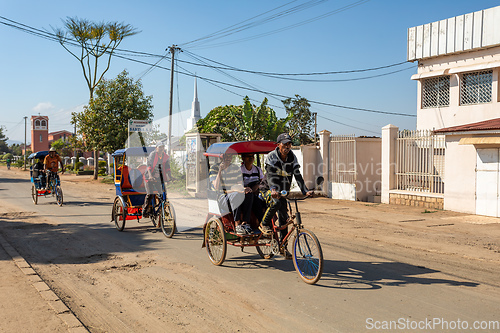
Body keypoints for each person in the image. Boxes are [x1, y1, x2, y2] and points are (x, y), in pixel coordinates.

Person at [259, 133, 313, 258]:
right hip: (268, 189)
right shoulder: (272, 156)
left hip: (282, 192)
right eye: (285, 144)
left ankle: (283, 247)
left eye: (289, 144)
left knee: (284, 218)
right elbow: (271, 176)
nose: (287, 146)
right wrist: (272, 189)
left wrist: (305, 191)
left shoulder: (292, 157)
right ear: (278, 145)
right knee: (276, 203)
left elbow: (298, 175)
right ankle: (264, 223)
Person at [209, 153, 253, 235]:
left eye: (230, 156)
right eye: (226, 156)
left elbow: (240, 184)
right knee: (236, 194)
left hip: (235, 194)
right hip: (221, 197)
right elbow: (216, 187)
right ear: (221, 157)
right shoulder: (214, 168)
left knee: (249, 194)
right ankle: (237, 223)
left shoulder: (235, 168)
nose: (228, 158)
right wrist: (220, 171)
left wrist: (244, 189)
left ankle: (245, 222)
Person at [142, 141, 171, 218]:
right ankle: (145, 209)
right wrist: (150, 176)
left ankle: (162, 210)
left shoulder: (165, 156)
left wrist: (170, 177)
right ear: (156, 148)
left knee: (162, 195)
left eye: (162, 147)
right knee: (150, 194)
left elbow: (168, 168)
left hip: (158, 178)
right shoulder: (152, 155)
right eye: (160, 147)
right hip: (149, 177)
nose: (161, 149)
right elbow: (149, 166)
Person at [241, 153, 265, 224]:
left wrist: (257, 186)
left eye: (252, 156)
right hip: (244, 196)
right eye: (248, 156)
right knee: (255, 202)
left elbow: (262, 182)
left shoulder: (258, 170)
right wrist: (245, 188)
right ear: (243, 158)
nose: (251, 158)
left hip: (256, 194)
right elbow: (237, 185)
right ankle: (246, 222)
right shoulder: (240, 170)